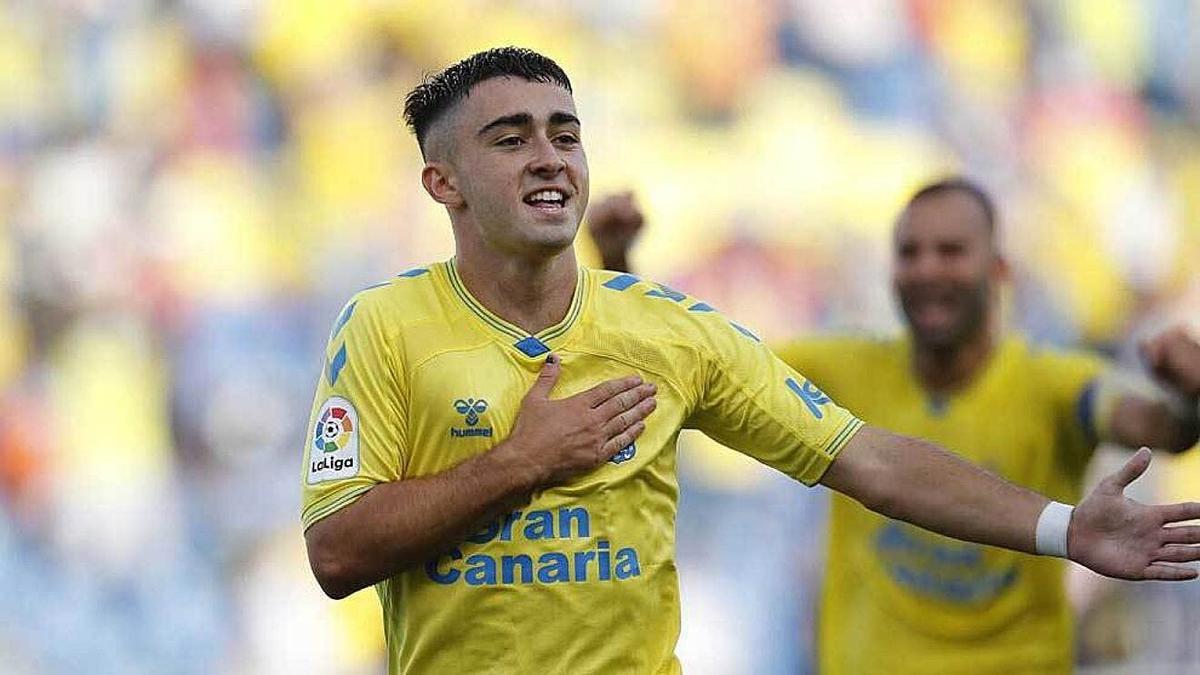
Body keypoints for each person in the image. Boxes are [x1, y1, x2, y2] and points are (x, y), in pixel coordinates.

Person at [301, 48, 1200, 675]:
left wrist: (1062, 527)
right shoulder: (383, 327)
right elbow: (336, 552)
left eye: (565, 133)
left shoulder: (673, 331)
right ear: (443, 182)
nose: (550, 158)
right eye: (511, 138)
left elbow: (868, 459)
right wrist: (522, 460)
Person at [588, 178, 1200, 673]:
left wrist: (1189, 394)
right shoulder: (844, 367)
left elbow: (1162, 426)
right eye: (910, 252)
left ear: (1000, 272)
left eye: (951, 251)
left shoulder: (1056, 382)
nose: (928, 269)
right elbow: (705, 368)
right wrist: (618, 263)